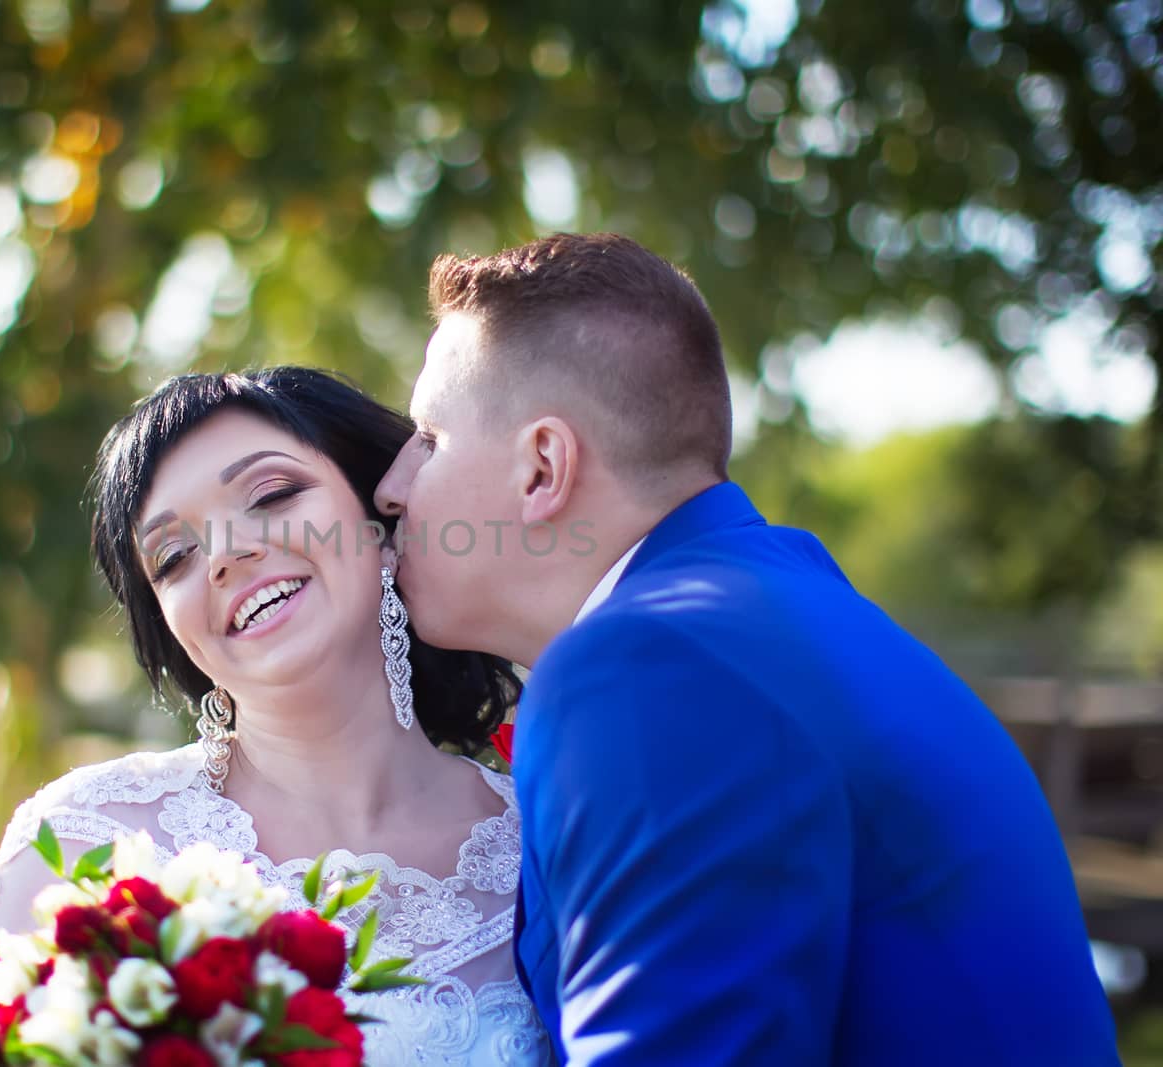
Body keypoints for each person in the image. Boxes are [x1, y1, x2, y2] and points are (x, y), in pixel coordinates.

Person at [373, 232, 1120, 1065]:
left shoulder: (650, 666)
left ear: (543, 467)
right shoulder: (782, 608)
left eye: (431, 438)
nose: (391, 486)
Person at [0, 367, 554, 1065]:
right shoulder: (84, 844)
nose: (226, 554)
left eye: (273, 494)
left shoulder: (547, 841)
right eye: (174, 555)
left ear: (381, 520)